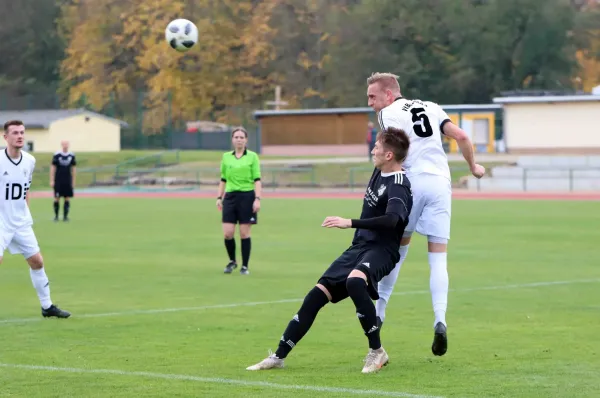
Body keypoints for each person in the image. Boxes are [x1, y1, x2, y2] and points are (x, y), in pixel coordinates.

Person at [246, 126, 413, 374]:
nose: (373, 149)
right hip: (359, 247)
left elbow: (392, 220)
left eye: (377, 147)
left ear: (389, 155)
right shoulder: (379, 171)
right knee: (316, 295)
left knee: (355, 282)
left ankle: (377, 351)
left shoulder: (399, 184)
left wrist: (350, 222)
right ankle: (278, 356)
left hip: (382, 250)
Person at [366, 72, 485, 357]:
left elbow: (387, 151)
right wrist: (473, 167)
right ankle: (440, 320)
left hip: (412, 184)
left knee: (397, 250)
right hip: (440, 184)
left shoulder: (388, 113)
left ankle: (379, 314)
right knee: (438, 257)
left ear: (389, 95)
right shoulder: (432, 107)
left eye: (373, 96)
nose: (370, 103)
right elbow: (462, 136)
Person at [1, 120, 71, 318]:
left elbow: (25, 190)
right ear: (6, 137)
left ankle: (47, 307)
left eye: (22, 132)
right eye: (15, 133)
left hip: (21, 222)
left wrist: (25, 212)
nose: (20, 136)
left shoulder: (29, 161)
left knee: (37, 262)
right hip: (1, 222)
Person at [217, 127, 262, 275]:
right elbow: (223, 179)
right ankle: (232, 261)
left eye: (242, 137)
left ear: (246, 140)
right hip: (230, 197)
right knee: (228, 233)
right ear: (232, 139)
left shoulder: (253, 157)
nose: (239, 140)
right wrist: (219, 197)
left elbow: (257, 180)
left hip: (247, 197)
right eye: (236, 137)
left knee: (244, 233)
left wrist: (257, 199)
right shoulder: (226, 157)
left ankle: (245, 266)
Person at [50, 140, 77, 222]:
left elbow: (74, 169)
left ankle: (65, 217)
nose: (65, 145)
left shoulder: (71, 155)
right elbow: (53, 168)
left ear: (68, 145)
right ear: (61, 145)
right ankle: (56, 216)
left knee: (67, 198)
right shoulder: (57, 155)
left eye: (66, 144)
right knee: (57, 198)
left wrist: (73, 181)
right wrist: (51, 180)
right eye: (64, 144)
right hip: (58, 180)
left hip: (67, 180)